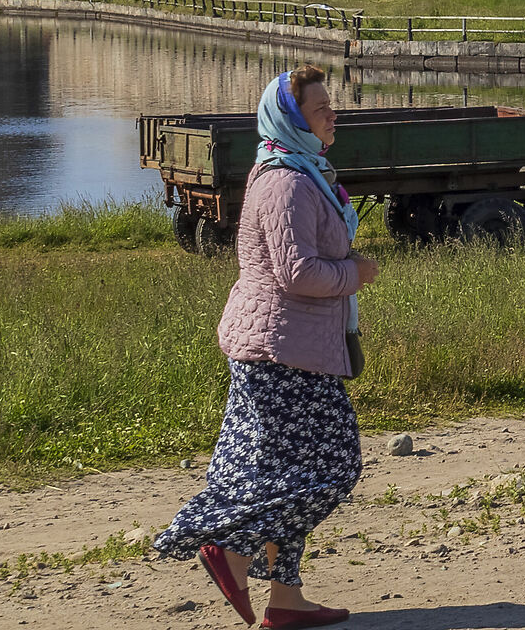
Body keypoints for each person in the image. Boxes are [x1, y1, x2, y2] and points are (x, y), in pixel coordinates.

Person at [155, 66, 375, 629]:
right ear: (291, 119)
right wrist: (354, 273)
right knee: (333, 466)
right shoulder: (286, 183)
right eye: (320, 107)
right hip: (281, 350)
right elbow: (297, 273)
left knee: (284, 471)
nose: (332, 114)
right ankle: (230, 548)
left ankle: (286, 599)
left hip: (289, 343)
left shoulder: (301, 170)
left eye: (330, 104)